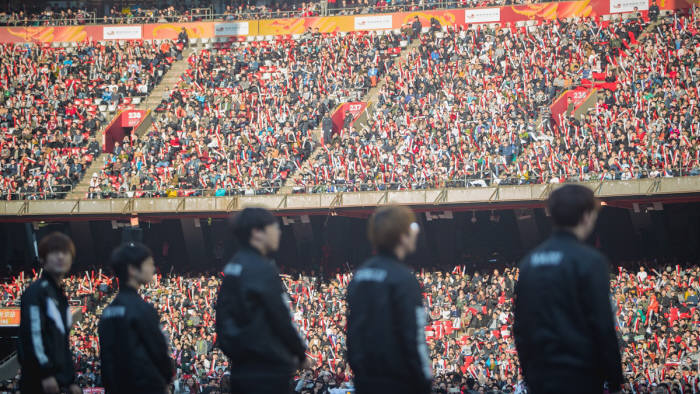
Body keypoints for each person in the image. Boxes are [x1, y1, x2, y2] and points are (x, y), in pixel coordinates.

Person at [513, 185, 623, 394]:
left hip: (541, 376)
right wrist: (615, 379)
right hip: (581, 375)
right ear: (586, 215)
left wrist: (529, 374)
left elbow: (520, 326)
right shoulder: (591, 261)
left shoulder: (529, 262)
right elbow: (602, 324)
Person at [215, 208, 308, 394]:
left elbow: (222, 319)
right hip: (267, 369)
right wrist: (299, 353)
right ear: (257, 232)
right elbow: (279, 317)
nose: (279, 232)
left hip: (241, 367)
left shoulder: (233, 266)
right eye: (274, 227)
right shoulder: (261, 268)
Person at [346, 206, 433, 394]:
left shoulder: (360, 275)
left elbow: (352, 332)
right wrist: (424, 381)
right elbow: (414, 338)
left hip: (365, 380)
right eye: (413, 227)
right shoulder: (404, 279)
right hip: (400, 383)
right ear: (402, 236)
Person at [98, 242, 175, 394]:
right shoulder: (142, 309)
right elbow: (158, 350)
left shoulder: (107, 312)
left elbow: (106, 358)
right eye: (149, 264)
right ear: (133, 270)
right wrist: (166, 379)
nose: (153, 269)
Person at [17, 232, 81, 394]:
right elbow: (33, 336)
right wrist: (45, 374)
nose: (60, 257)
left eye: (65, 253)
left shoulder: (60, 295)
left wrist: (71, 380)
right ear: (43, 259)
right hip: (39, 382)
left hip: (60, 383)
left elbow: (63, 344)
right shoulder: (36, 293)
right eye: (54, 252)